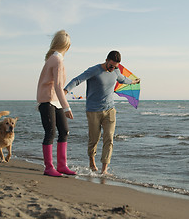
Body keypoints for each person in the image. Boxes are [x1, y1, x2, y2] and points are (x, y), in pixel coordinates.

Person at [64, 50, 140, 174]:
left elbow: (122, 79)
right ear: (106, 60)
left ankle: (104, 169)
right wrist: (66, 90)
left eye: (115, 66)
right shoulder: (94, 70)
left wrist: (133, 82)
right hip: (93, 111)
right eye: (111, 65)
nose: (112, 68)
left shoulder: (116, 71)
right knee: (94, 139)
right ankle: (91, 161)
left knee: (109, 138)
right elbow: (77, 80)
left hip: (110, 110)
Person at [36, 30, 76, 177]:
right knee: (50, 133)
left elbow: (57, 87)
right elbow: (59, 86)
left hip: (54, 101)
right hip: (48, 100)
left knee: (64, 131)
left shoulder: (54, 59)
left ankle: (62, 165)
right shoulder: (56, 60)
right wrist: (67, 107)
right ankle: (48, 167)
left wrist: (62, 104)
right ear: (67, 46)